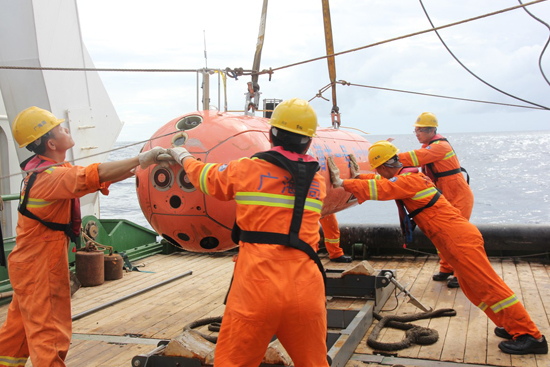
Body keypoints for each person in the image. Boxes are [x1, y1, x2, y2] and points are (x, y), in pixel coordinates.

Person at [327, 140, 547, 355]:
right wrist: (358, 177)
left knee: (488, 287)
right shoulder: (408, 176)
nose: (379, 173)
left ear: (384, 166)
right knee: (472, 288)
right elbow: (383, 182)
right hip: (453, 240)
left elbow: (384, 188)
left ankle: (530, 335)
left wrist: (344, 183)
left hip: (459, 240)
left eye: (378, 169)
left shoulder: (409, 181)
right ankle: (511, 325)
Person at [167, 98, 329, 366]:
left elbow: (206, 178)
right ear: (309, 141)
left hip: (258, 286)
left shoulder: (248, 169)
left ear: (271, 133)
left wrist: (183, 157)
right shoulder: (317, 182)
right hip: (307, 288)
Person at [0, 106, 167, 367]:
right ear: (52, 142)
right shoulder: (50, 177)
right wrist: (140, 159)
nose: (66, 128)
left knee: (17, 334)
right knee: (50, 336)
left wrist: (138, 167)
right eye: (60, 128)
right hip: (41, 267)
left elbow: (92, 177)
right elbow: (92, 175)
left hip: (29, 264)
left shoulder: (48, 171)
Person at [397, 112, 473, 289]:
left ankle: (460, 274)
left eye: (420, 130)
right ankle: (446, 268)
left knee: (457, 237)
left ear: (432, 130)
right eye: (415, 130)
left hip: (459, 196)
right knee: (442, 234)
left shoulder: (440, 146)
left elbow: (415, 158)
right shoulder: (430, 146)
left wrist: (390, 158)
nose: (417, 133)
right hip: (445, 195)